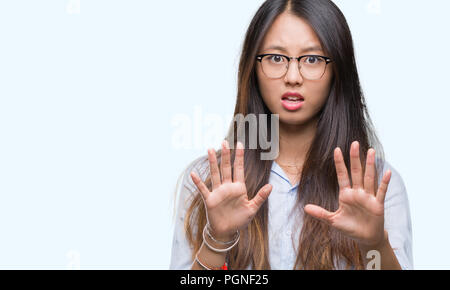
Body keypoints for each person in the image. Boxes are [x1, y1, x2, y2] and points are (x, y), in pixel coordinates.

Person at [170, 0, 413, 270]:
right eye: (276, 58)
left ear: (337, 70)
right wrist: (217, 239)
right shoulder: (207, 181)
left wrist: (374, 245)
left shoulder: (379, 186)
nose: (293, 76)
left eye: (312, 59)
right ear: (253, 68)